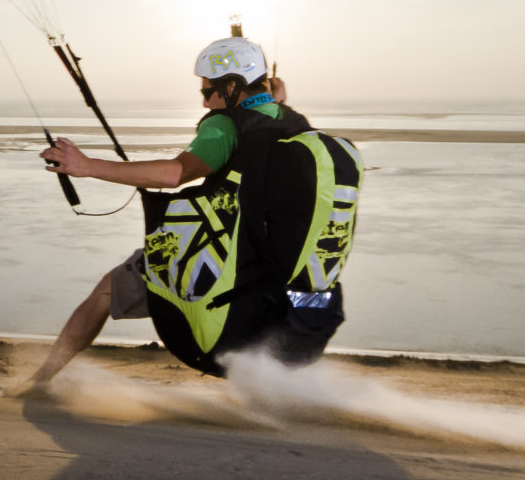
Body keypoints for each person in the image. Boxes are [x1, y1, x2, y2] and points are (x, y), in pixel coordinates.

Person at [23, 32, 363, 389]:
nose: (204, 103)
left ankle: (41, 379)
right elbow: (267, 101)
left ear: (231, 87)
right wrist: (273, 92)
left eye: (207, 92)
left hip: (223, 266)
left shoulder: (224, 125)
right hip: (267, 274)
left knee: (107, 290)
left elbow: (175, 174)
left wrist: (87, 165)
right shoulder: (288, 119)